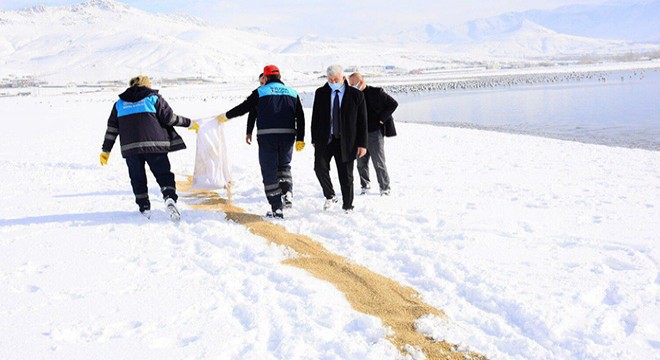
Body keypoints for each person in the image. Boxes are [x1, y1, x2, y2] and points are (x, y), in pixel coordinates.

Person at [99, 75, 197, 221]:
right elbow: (169, 118)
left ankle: (144, 207)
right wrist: (189, 123)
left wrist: (106, 150)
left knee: (137, 177)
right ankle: (169, 197)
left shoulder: (119, 104)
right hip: (155, 146)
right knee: (163, 174)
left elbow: (112, 129)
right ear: (147, 85)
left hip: (130, 148)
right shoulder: (153, 98)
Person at [218, 65, 305, 218]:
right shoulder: (293, 93)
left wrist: (225, 116)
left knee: (269, 170)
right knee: (284, 166)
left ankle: (276, 207)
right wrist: (300, 138)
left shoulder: (261, 91)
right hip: (288, 137)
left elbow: (244, 108)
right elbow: (301, 117)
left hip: (268, 137)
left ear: (266, 77)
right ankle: (288, 193)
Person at [311, 64, 368, 213]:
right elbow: (315, 117)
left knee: (346, 176)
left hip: (346, 141)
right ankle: (330, 195)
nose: (332, 82)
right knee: (319, 167)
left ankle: (348, 205)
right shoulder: (321, 93)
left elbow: (362, 122)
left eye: (335, 79)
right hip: (325, 139)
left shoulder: (356, 95)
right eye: (330, 79)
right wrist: (314, 139)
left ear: (343, 78)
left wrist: (362, 144)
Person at [348, 72, 398, 196]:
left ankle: (385, 187)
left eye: (353, 84)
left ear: (361, 81)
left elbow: (393, 104)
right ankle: (365, 185)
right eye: (350, 84)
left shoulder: (376, 92)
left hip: (374, 134)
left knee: (378, 162)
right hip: (359, 135)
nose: (351, 86)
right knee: (361, 162)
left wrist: (381, 119)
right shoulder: (352, 96)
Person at [245, 73, 266, 145]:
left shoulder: (281, 94)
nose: (262, 85)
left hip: (282, 135)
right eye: (261, 83)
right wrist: (249, 132)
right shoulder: (256, 95)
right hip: (263, 133)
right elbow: (252, 115)